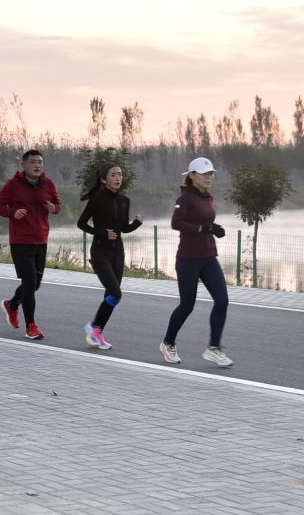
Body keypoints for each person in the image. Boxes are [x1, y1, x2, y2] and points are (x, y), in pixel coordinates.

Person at [159, 157, 232, 367]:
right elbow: (176, 223)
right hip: (188, 259)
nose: (209, 177)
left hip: (208, 257)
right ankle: (168, 343)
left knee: (222, 301)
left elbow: (203, 222)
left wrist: (214, 229)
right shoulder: (185, 198)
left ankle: (213, 348)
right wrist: (202, 228)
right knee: (187, 305)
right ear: (192, 175)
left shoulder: (207, 197)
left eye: (211, 174)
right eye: (204, 174)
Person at [0, 149, 62, 339]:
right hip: (20, 240)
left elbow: (58, 205)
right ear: (23, 165)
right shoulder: (13, 184)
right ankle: (31, 326)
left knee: (34, 284)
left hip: (41, 240)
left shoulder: (48, 184)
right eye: (33, 162)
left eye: (40, 162)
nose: (37, 165)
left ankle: (12, 304)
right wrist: (13, 212)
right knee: (30, 282)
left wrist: (54, 208)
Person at [76, 163, 143, 350]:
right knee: (115, 293)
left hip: (118, 252)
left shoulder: (124, 201)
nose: (118, 178)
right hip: (100, 251)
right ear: (104, 179)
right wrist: (102, 233)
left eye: (120, 174)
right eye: (113, 175)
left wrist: (136, 223)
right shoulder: (97, 200)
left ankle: (96, 330)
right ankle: (95, 329)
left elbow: (124, 228)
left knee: (111, 295)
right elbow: (81, 223)